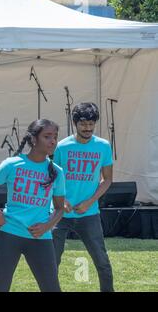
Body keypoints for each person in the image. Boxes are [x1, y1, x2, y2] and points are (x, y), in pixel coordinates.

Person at [0, 119, 65, 292]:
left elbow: (60, 208)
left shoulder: (57, 172)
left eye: (55, 136)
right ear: (33, 139)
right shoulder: (12, 164)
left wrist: (47, 226)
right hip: (9, 235)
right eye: (47, 136)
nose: (53, 141)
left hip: (40, 239)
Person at [52, 102, 114, 292]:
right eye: (83, 124)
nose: (87, 128)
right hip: (60, 214)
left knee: (102, 262)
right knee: (50, 263)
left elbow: (107, 180)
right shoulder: (61, 147)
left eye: (91, 124)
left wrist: (89, 202)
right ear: (74, 123)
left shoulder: (103, 146)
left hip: (89, 214)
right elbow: (51, 178)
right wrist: (62, 202)